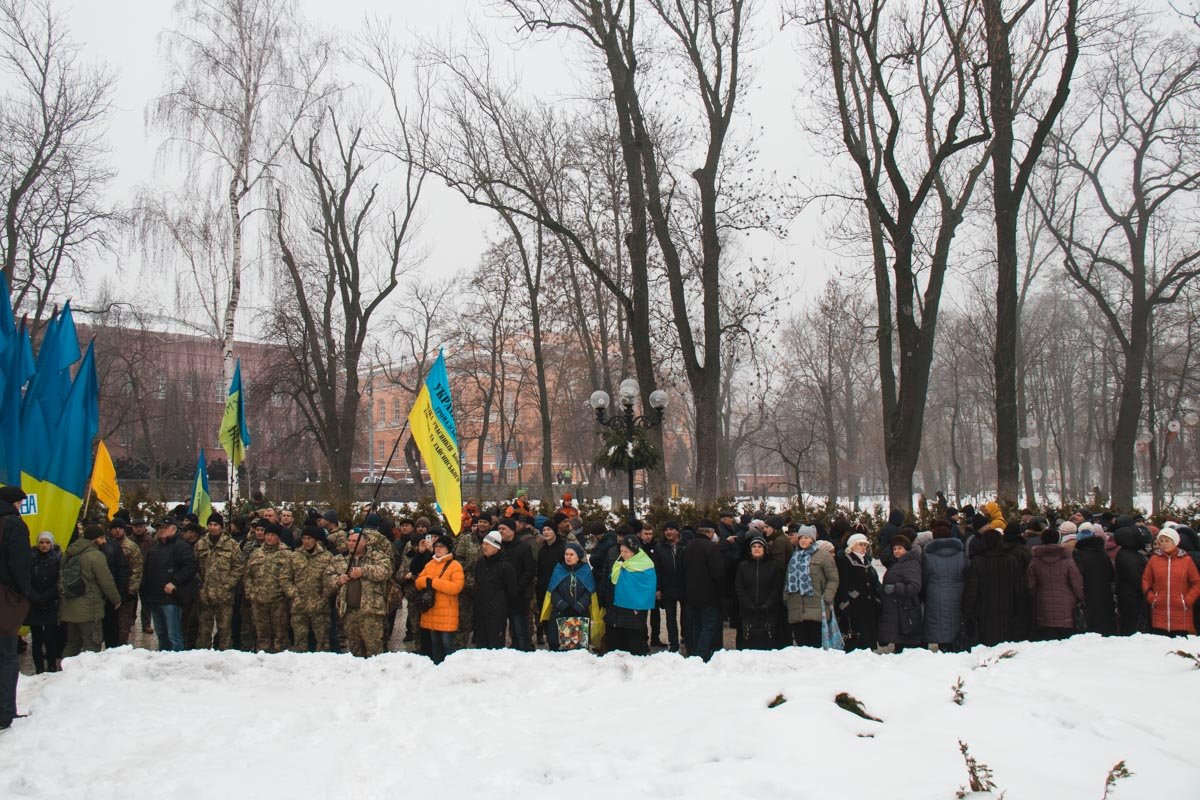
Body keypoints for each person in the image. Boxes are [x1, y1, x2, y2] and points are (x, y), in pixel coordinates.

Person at [327, 529, 391, 657]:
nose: (351, 544)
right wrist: (338, 580)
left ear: (365, 542)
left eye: (355, 541)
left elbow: (386, 571)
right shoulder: (339, 559)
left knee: (374, 650)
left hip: (371, 611)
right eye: (349, 541)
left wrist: (364, 571)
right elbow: (327, 578)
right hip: (349, 612)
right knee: (355, 650)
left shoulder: (377, 556)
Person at [60, 525, 122, 657]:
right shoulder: (95, 555)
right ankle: (89, 675)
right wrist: (116, 599)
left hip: (70, 606)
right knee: (92, 644)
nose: (104, 541)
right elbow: (106, 581)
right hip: (89, 607)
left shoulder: (69, 552)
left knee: (72, 643)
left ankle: (65, 673)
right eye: (101, 538)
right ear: (94, 539)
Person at [0, 485, 32, 731]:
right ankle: (5, 712)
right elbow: (19, 564)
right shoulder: (14, 524)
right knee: (7, 657)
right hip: (5, 597)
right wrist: (25, 594)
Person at [141, 517, 199, 652]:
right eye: (159, 528)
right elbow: (147, 571)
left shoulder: (181, 546)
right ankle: (163, 660)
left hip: (171, 599)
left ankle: (177, 662)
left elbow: (190, 567)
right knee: (161, 635)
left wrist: (174, 583)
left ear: (173, 529)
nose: (161, 531)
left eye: (164, 528)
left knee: (174, 635)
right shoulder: (154, 548)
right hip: (154, 598)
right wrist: (145, 593)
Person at [963, 529, 1024, 647]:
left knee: (986, 646)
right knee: (1005, 646)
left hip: (984, 610)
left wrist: (967, 610)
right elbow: (1018, 588)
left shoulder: (977, 562)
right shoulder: (1011, 561)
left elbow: (972, 590)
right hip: (1008, 608)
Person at [195, 513, 245, 650]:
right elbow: (194, 566)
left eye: (216, 525)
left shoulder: (231, 545)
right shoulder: (201, 544)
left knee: (224, 630)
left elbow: (239, 567)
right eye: (210, 524)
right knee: (204, 631)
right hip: (205, 596)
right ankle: (201, 656)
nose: (212, 527)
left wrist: (228, 585)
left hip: (224, 596)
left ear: (222, 527)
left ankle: (225, 657)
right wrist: (200, 584)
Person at [784, 525, 839, 647]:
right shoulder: (794, 557)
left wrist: (827, 597)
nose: (803, 540)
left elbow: (833, 579)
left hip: (817, 607)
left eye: (807, 537)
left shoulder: (824, 556)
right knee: (802, 647)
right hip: (796, 609)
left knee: (816, 646)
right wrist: (786, 598)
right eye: (801, 537)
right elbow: (787, 580)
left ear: (812, 540)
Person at [1026, 528, 1084, 641]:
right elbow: (1076, 582)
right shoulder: (1067, 558)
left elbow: (1030, 583)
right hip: (1066, 603)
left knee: (1048, 639)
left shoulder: (1035, 560)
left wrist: (1035, 595)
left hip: (1043, 602)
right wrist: (1081, 598)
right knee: (1066, 640)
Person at [243, 524, 293, 653]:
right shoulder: (256, 553)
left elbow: (291, 577)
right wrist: (250, 592)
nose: (269, 538)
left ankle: (280, 657)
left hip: (279, 601)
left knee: (280, 632)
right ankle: (262, 655)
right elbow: (247, 575)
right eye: (268, 535)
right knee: (262, 632)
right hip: (258, 600)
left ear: (279, 538)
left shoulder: (287, 554)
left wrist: (287, 594)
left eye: (273, 535)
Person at [1142, 527, 1200, 636]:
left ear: (1175, 542)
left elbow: (1196, 583)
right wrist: (1152, 598)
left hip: (1181, 613)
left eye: (1167, 541)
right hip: (1159, 613)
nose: (1164, 544)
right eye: (1161, 541)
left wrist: (1187, 600)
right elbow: (1146, 580)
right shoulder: (1154, 559)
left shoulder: (1186, 560)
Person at [680, 520, 724, 660]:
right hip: (709, 596)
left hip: (691, 595)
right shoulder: (711, 548)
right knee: (708, 626)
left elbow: (681, 570)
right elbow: (718, 573)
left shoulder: (687, 547)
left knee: (696, 625)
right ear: (710, 532)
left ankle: (694, 652)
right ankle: (701, 653)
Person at [417, 534, 465, 664]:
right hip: (431, 612)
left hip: (446, 614)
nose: (438, 549)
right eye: (436, 546)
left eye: (442, 547)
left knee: (447, 646)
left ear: (448, 549)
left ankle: (450, 671)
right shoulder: (430, 564)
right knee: (435, 646)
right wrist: (428, 582)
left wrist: (433, 583)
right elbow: (419, 582)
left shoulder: (455, 565)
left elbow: (456, 587)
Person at [607, 537, 657, 655]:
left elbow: (647, 588)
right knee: (620, 637)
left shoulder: (646, 564)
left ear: (634, 552)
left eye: (626, 551)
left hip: (636, 609)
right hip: (620, 607)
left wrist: (639, 605)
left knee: (635, 639)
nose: (623, 554)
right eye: (621, 551)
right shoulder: (621, 563)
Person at [922, 523, 967, 651]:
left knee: (939, 623)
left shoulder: (928, 556)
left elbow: (924, 578)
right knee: (955, 621)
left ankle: (943, 648)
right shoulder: (961, 554)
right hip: (958, 593)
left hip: (935, 594)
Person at [289, 525, 334, 652]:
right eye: (303, 538)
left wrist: (324, 597)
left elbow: (331, 580)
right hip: (299, 605)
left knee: (323, 642)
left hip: (320, 606)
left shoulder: (327, 557)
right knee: (299, 641)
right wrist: (294, 594)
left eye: (309, 538)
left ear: (316, 540)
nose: (306, 541)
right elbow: (285, 578)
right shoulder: (294, 556)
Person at [834, 532, 881, 652]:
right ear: (852, 546)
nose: (864, 547)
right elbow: (843, 583)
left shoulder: (867, 561)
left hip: (868, 603)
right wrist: (845, 602)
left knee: (868, 634)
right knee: (857, 634)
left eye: (865, 545)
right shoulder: (845, 561)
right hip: (854, 604)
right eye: (860, 544)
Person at [542, 542, 595, 651]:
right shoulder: (559, 569)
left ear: (578, 557)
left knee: (577, 649)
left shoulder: (585, 571)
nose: (568, 557)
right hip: (560, 613)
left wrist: (578, 606)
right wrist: (563, 605)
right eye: (566, 554)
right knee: (557, 647)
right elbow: (553, 590)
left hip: (579, 614)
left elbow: (589, 592)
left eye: (571, 554)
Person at [735, 535, 784, 650]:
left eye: (759, 546)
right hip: (748, 611)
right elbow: (739, 587)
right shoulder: (743, 566)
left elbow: (776, 588)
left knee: (768, 641)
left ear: (765, 549)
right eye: (754, 546)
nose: (756, 549)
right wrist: (748, 604)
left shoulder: (773, 566)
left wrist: (767, 605)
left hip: (768, 611)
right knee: (748, 642)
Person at [26, 533, 63, 673]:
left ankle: (52, 666)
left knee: (50, 638)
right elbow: (26, 580)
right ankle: (39, 669)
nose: (44, 545)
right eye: (42, 542)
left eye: (47, 542)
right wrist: (35, 597)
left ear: (51, 544)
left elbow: (60, 580)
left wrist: (48, 596)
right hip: (34, 603)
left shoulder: (58, 559)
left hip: (51, 602)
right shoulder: (31, 558)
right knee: (36, 639)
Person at [878, 535, 923, 652]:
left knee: (905, 648)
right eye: (894, 549)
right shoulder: (897, 563)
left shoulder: (911, 563)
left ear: (906, 549)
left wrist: (895, 588)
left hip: (905, 612)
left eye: (900, 548)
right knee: (900, 646)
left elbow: (914, 587)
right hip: (898, 611)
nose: (896, 551)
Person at [474, 531, 518, 648]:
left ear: (496, 547)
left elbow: (512, 591)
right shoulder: (480, 563)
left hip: (497, 613)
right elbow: (478, 583)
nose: (484, 547)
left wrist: (501, 606)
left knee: (495, 646)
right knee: (481, 645)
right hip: (481, 611)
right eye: (483, 544)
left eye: (487, 544)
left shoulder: (506, 566)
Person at [498, 518, 536, 651]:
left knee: (520, 627)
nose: (501, 531)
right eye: (499, 529)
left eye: (504, 529)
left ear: (512, 531)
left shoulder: (523, 547)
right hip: (502, 594)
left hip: (520, 594)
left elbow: (530, 570)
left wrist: (517, 587)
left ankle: (524, 649)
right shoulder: (499, 547)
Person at [1073, 525, 1116, 636]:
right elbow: (1111, 574)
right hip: (1105, 595)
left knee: (1091, 630)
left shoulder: (1078, 554)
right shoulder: (1103, 553)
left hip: (1088, 594)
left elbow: (1078, 576)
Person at [453, 517, 486, 649]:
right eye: (480, 522)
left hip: (486, 588)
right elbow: (459, 559)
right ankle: (459, 650)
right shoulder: (466, 539)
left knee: (484, 622)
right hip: (467, 587)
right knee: (463, 622)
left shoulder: (494, 538)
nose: (482, 524)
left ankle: (483, 650)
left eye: (484, 522)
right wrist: (467, 577)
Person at [653, 521, 685, 652]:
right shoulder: (660, 547)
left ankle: (687, 638)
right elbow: (657, 569)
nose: (668, 532)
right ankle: (674, 643)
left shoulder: (685, 545)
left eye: (671, 529)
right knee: (670, 618)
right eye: (666, 530)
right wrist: (658, 588)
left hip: (684, 586)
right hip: (668, 587)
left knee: (686, 616)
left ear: (677, 531)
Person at [535, 521, 566, 648]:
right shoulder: (542, 550)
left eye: (549, 529)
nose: (546, 532)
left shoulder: (563, 548)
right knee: (547, 621)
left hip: (560, 590)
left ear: (554, 531)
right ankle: (552, 645)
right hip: (544, 590)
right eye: (544, 530)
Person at [1113, 522, 1148, 635]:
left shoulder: (1126, 553)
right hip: (1132, 596)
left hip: (1128, 594)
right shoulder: (1129, 556)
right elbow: (1136, 577)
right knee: (1131, 623)